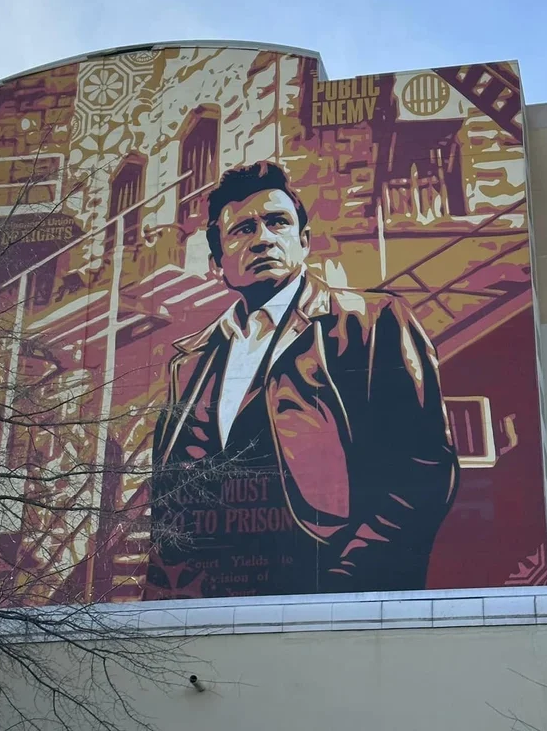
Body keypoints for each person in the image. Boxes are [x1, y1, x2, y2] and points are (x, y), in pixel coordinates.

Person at [145, 161, 458, 599]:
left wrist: (350, 581)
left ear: (304, 241)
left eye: (277, 223)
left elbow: (423, 469)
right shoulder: (192, 361)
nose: (263, 239)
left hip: (326, 593)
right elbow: (170, 497)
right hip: (210, 607)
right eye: (243, 230)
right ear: (218, 263)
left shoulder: (371, 322)